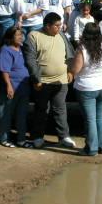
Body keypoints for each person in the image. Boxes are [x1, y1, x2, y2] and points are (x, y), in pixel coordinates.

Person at [23, 12, 76, 149]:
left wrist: (70, 71)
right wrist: (36, 78)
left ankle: (64, 136)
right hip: (42, 81)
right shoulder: (33, 35)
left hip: (61, 80)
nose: (60, 27)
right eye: (57, 25)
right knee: (41, 110)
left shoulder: (61, 35)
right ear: (47, 26)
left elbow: (70, 53)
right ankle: (37, 137)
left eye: (60, 25)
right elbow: (30, 59)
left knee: (60, 109)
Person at [71, 23, 102, 156]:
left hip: (86, 87)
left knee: (90, 119)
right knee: (100, 116)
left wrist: (69, 66)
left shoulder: (82, 48)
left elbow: (76, 69)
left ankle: (91, 148)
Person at [0, 26, 30, 148]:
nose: (21, 37)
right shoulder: (5, 50)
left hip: (23, 88)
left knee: (22, 115)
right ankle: (4, 139)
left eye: (21, 35)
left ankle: (21, 140)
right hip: (11, 87)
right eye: (17, 35)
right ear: (10, 37)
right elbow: (4, 70)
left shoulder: (21, 49)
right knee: (6, 114)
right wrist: (8, 86)